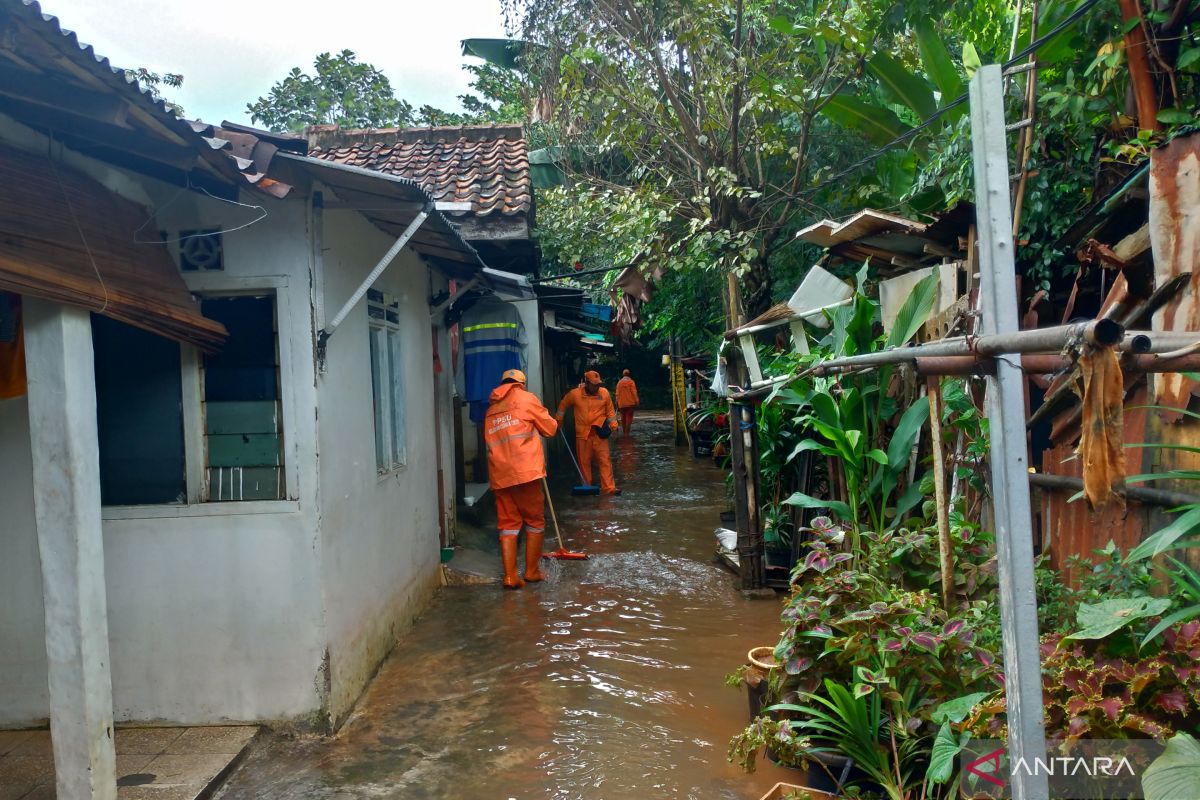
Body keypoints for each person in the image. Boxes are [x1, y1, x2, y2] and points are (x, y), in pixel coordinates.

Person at [484, 368, 559, 589]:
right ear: (521, 384)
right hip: (525, 472)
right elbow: (551, 428)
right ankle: (531, 571)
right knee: (535, 521)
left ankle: (510, 576)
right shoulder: (527, 399)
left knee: (508, 525)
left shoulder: (491, 409)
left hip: (500, 475)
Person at [556, 370, 620, 495]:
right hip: (583, 435)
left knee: (605, 461)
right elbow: (563, 405)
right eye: (594, 384)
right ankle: (587, 487)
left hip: (599, 433)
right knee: (584, 462)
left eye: (598, 384)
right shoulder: (575, 394)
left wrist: (614, 426)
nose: (596, 387)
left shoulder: (604, 393)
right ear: (586, 383)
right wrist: (558, 420)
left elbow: (611, 412)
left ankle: (609, 488)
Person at [615, 368, 639, 436]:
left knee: (623, 419)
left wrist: (616, 402)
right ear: (629, 374)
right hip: (630, 404)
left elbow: (617, 394)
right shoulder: (631, 382)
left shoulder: (619, 382)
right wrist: (637, 401)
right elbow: (634, 392)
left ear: (623, 374)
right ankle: (627, 433)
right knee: (629, 419)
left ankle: (624, 432)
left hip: (621, 404)